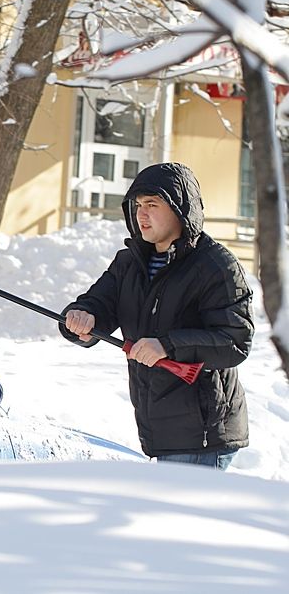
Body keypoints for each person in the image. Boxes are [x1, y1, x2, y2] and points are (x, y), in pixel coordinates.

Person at [61, 162, 252, 470]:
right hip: (159, 430)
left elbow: (235, 342)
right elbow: (99, 303)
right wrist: (81, 318)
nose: (142, 214)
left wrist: (167, 346)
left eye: (152, 204)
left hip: (203, 435)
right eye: (138, 206)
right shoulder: (130, 262)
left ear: (180, 208)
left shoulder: (215, 266)